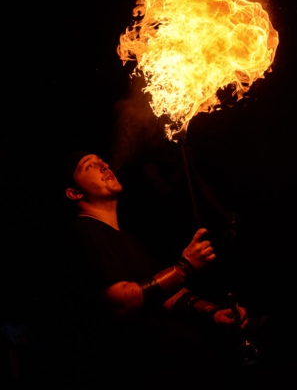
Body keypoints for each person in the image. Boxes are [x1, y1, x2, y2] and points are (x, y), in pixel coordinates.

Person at [62, 151, 249, 387]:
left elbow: (164, 293)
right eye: (90, 165)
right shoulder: (82, 233)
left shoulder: (129, 240)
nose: (104, 165)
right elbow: (122, 302)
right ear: (74, 193)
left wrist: (212, 311)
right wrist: (185, 266)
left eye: (102, 161)